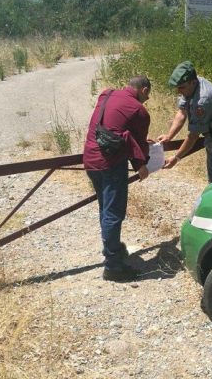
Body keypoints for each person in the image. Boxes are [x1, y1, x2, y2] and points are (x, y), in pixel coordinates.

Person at [83, 75, 152, 281]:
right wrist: (142, 166)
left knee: (105, 208)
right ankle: (113, 265)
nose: (146, 100)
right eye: (147, 96)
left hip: (90, 158)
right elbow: (138, 143)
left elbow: (116, 126)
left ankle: (113, 248)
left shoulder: (107, 93)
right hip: (111, 164)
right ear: (145, 90)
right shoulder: (140, 111)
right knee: (113, 213)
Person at [157, 61, 212, 183]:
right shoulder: (190, 86)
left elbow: (193, 136)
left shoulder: (202, 100)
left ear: (193, 82)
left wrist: (176, 158)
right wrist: (169, 136)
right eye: (177, 88)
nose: (179, 91)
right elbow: (182, 113)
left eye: (181, 87)